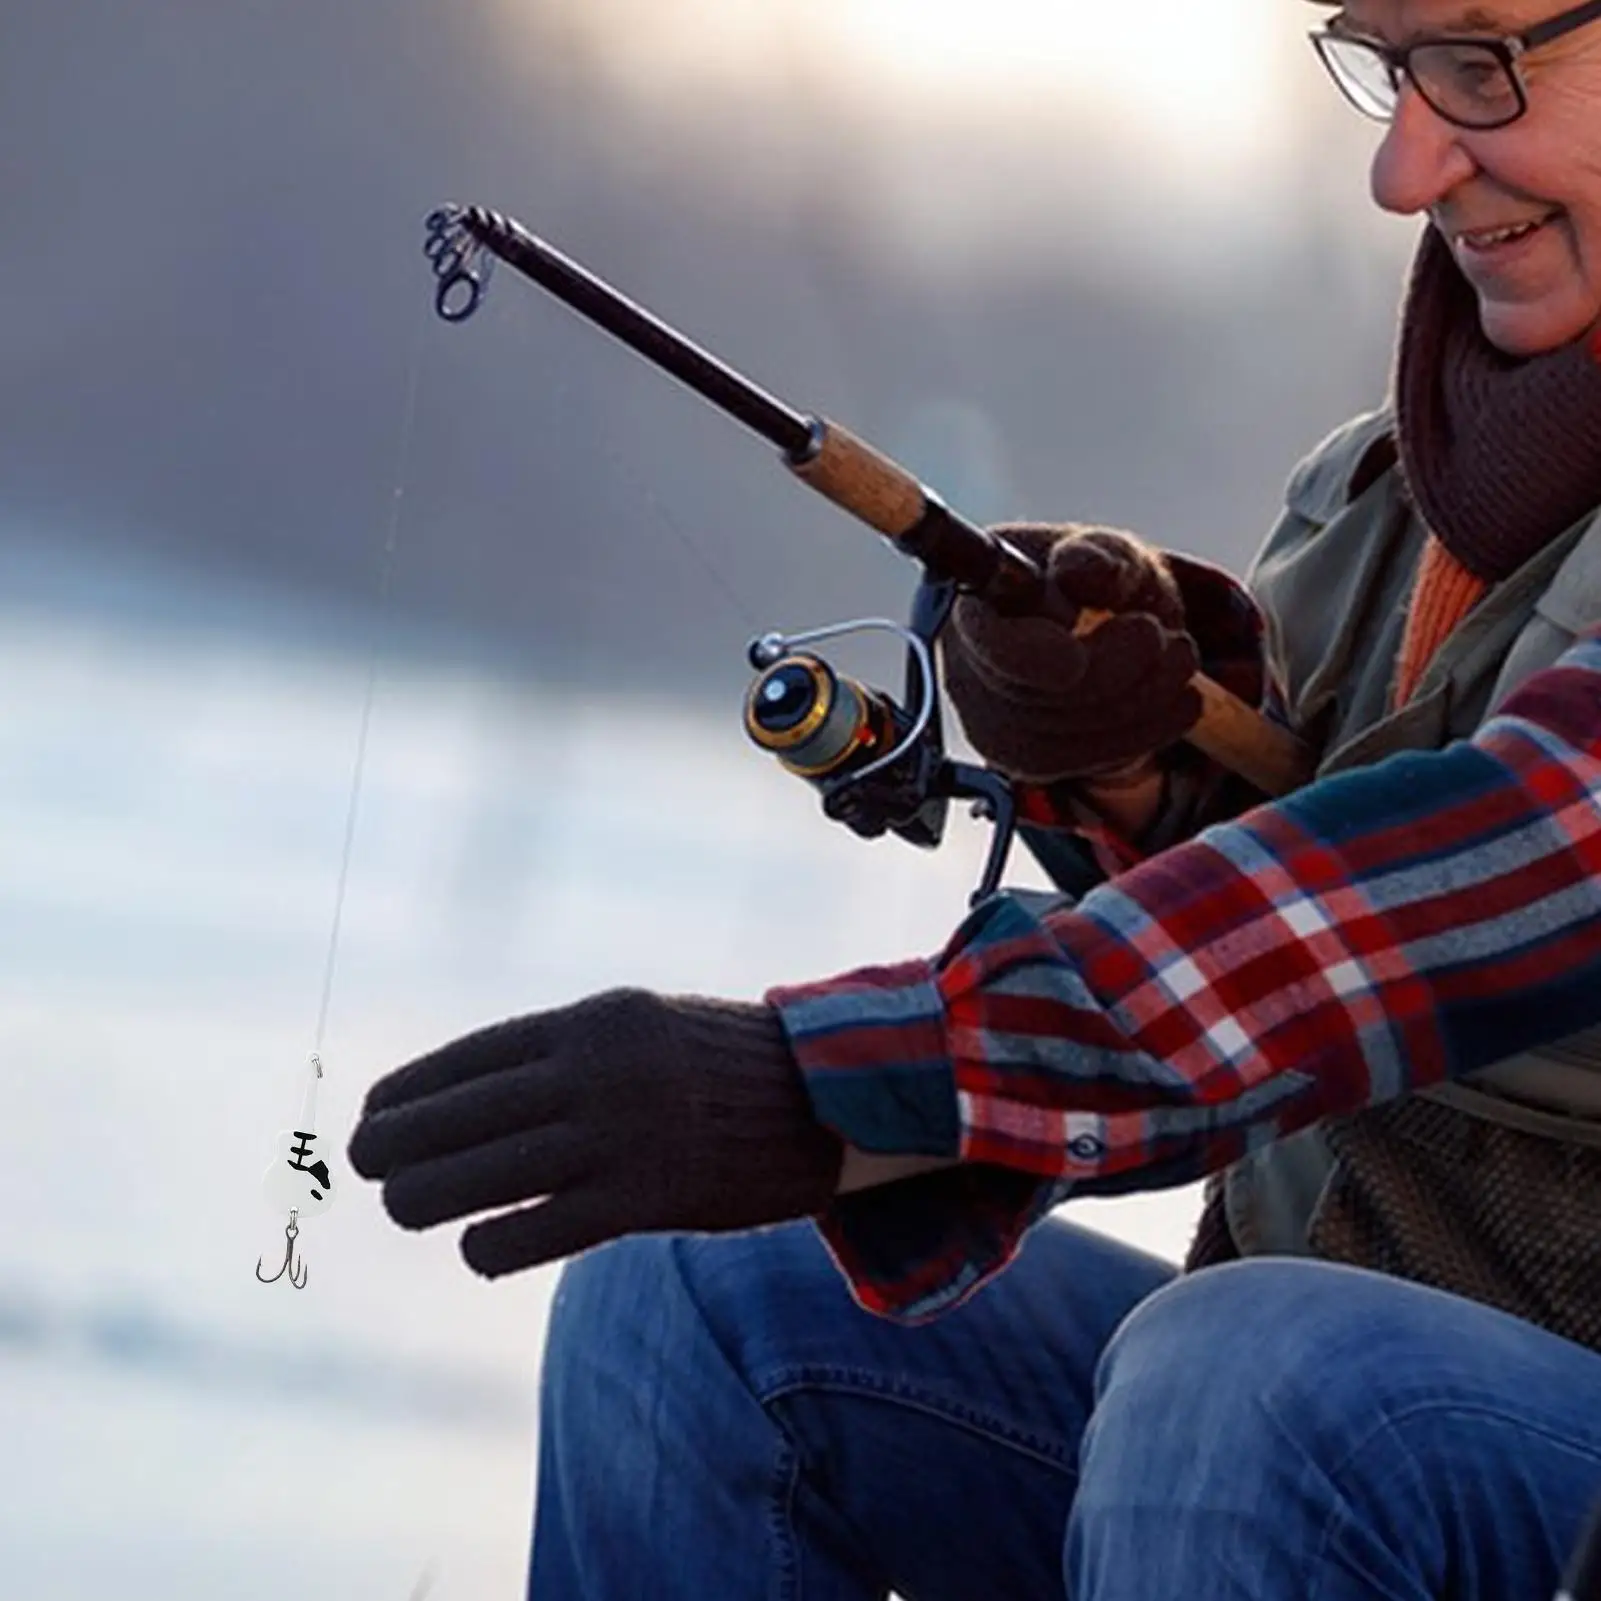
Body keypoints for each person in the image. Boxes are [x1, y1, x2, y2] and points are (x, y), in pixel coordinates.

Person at [347, 0, 1601, 1594]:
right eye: (1386, 64)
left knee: (1247, 1375)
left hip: (1391, 1413)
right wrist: (1128, 758)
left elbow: (1492, 884)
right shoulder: (1399, 482)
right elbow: (1302, 906)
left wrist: (822, 1087)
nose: (1404, 165)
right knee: (691, 1296)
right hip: (1328, 1388)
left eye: (1481, 66)